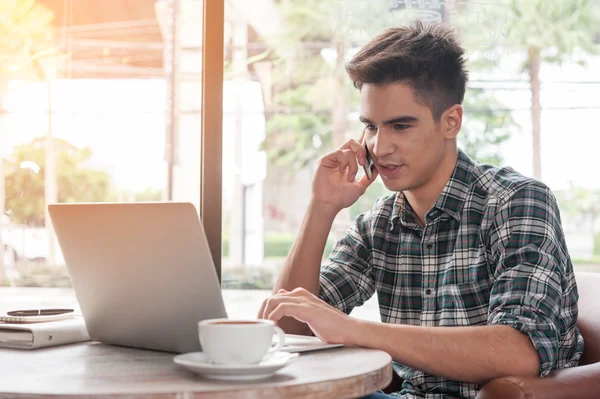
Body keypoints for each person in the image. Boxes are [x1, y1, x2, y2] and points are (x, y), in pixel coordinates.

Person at [258, 20, 583, 399]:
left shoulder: (518, 202)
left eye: (400, 126)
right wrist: (322, 208)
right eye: (371, 127)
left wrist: (353, 330)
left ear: (451, 121)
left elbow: (520, 352)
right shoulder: (379, 223)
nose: (380, 148)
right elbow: (285, 328)